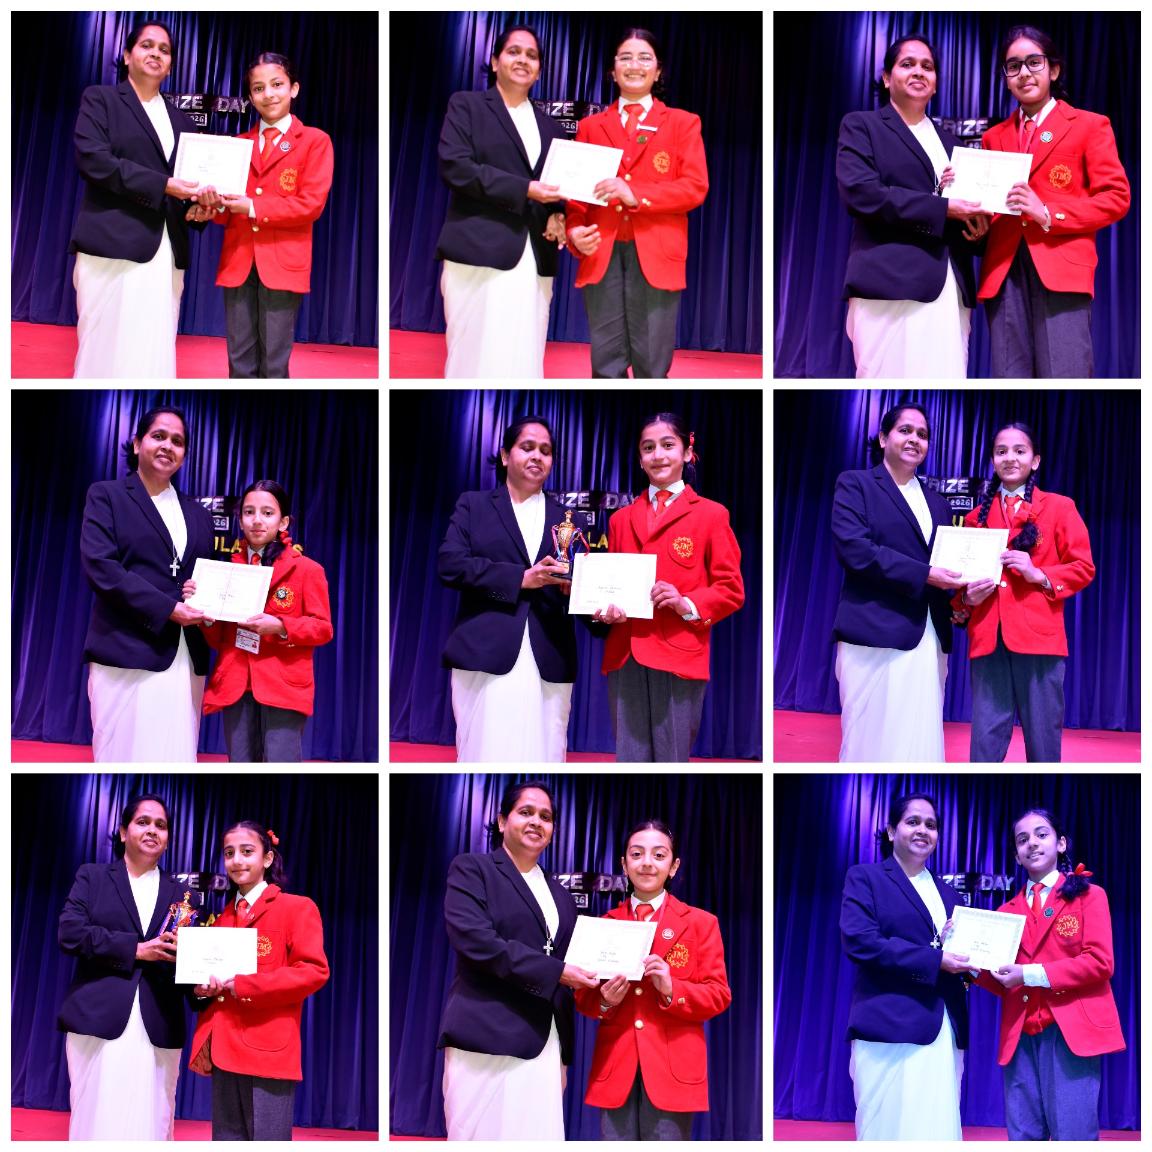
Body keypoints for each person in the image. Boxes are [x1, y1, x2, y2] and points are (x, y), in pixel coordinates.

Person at [437, 781, 599, 1140]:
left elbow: (575, 962)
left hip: (547, 1040)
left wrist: (604, 987)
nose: (536, 822)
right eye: (526, 812)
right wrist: (558, 972)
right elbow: (478, 943)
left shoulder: (561, 895)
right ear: (501, 821)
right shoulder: (473, 869)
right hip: (485, 1033)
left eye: (546, 816)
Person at [978, 26, 1130, 377]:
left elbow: (1117, 197)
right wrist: (971, 217)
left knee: (1066, 374)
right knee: (1008, 379)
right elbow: (991, 206)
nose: (1024, 73)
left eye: (1034, 62)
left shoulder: (1089, 125)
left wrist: (1047, 212)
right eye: (1013, 66)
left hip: (1061, 269)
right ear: (1006, 78)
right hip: (1004, 271)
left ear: (1054, 70)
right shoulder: (993, 137)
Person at [70, 21, 220, 378]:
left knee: (154, 353)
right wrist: (165, 185)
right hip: (112, 243)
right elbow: (94, 161)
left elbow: (185, 188)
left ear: (170, 66)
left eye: (164, 50)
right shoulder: (101, 99)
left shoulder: (183, 123)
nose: (156, 54)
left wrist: (198, 209)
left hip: (166, 251)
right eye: (147, 46)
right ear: (127, 55)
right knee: (101, 351)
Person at [593, 413, 744, 761]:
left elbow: (731, 588)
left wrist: (685, 602)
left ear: (687, 453)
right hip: (625, 653)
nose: (658, 455)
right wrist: (606, 611)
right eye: (648, 448)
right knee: (629, 759)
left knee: (672, 759)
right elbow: (611, 585)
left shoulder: (711, 514)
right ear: (640, 459)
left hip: (679, 652)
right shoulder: (620, 519)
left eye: (667, 445)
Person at [836, 35, 989, 377]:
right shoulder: (862, 126)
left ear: (935, 84)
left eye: (927, 66)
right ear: (886, 78)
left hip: (949, 287)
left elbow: (962, 214)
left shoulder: (955, 145)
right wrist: (943, 208)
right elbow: (861, 193)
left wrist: (976, 229)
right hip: (889, 282)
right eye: (907, 64)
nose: (919, 72)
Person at [969, 809, 1124, 1139]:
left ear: (1061, 843)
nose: (1032, 843)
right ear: (1016, 855)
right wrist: (966, 961)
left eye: (1042, 834)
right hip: (1020, 1036)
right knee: (1023, 1137)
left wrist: (1028, 973)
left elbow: (1100, 962)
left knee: (1074, 1135)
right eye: (1022, 839)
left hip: (1069, 1033)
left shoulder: (1088, 896)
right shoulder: (1005, 913)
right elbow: (1003, 979)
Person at [575, 820, 731, 1140]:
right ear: (624, 864)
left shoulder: (700, 924)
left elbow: (719, 995)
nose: (647, 863)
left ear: (673, 866)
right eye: (637, 854)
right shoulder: (604, 925)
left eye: (659, 855)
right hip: (616, 1069)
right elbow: (584, 998)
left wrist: (672, 989)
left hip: (673, 1072)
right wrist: (606, 1000)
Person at [565, 29, 708, 378]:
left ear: (658, 71)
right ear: (612, 70)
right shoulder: (590, 126)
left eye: (645, 58)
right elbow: (576, 198)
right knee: (605, 367)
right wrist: (574, 232)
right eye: (625, 57)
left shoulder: (682, 123)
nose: (634, 65)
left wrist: (636, 194)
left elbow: (695, 188)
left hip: (656, 254)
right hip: (602, 253)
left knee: (652, 369)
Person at [438, 416, 580, 761]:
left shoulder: (567, 518)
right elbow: (451, 564)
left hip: (550, 654)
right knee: (482, 752)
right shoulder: (474, 505)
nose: (537, 456)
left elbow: (581, 582)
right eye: (527, 447)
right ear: (504, 455)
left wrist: (590, 601)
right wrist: (519, 578)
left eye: (545, 451)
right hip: (485, 652)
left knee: (547, 754)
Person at [952, 422, 1094, 762]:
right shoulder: (974, 518)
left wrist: (1038, 574)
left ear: (1035, 460)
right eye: (1001, 452)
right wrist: (965, 600)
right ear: (992, 460)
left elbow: (1083, 567)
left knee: (1043, 746)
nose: (1010, 458)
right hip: (988, 640)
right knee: (984, 747)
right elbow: (959, 585)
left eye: (1020, 451)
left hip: (1040, 641)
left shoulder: (1059, 507)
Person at [80, 405, 215, 761]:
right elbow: (101, 567)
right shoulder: (107, 495)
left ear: (184, 454)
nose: (168, 446)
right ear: (138, 443)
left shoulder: (199, 515)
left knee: (177, 756)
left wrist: (203, 595)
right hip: (125, 649)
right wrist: (168, 608)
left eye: (178, 441)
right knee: (120, 755)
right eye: (159, 436)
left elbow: (207, 577)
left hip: (185, 655)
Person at [831, 402, 963, 761]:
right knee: (868, 740)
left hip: (929, 634)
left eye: (922, 434)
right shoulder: (856, 484)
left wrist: (963, 598)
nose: (914, 439)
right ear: (883, 437)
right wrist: (926, 574)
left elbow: (945, 565)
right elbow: (856, 550)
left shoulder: (938, 503)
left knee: (921, 742)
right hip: (873, 630)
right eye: (905, 430)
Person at [188, 52, 333, 378]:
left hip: (282, 264)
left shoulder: (314, 141)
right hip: (239, 260)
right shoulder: (238, 145)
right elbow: (227, 209)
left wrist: (252, 207)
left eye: (277, 84)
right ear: (251, 97)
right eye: (258, 88)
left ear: (294, 88)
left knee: (274, 365)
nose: (268, 94)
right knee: (238, 363)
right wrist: (210, 207)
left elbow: (310, 205)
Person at [57, 795, 194, 1140]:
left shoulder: (183, 895)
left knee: (154, 1122)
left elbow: (187, 963)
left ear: (168, 839)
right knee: (94, 1118)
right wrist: (136, 950)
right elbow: (70, 933)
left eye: (161, 825)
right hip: (98, 1017)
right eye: (143, 822)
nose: (152, 830)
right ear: (122, 832)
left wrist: (203, 980)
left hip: (159, 1020)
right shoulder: (93, 877)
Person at [435, 25, 568, 377]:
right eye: (514, 52)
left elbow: (554, 187)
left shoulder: (551, 128)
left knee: (525, 359)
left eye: (531, 55)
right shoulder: (467, 106)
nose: (523, 60)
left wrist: (557, 214)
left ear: (539, 70)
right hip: (478, 248)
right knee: (472, 359)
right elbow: (456, 167)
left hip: (535, 256)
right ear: (495, 62)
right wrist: (526, 189)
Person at [840, 793, 970, 1141]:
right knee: (885, 1129)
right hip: (888, 1021)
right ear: (890, 830)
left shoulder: (950, 896)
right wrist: (936, 959)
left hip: (943, 1025)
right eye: (913, 822)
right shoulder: (866, 878)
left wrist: (972, 960)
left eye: (931, 825)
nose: (923, 830)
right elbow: (861, 942)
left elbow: (960, 960)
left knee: (936, 1129)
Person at [189, 821, 329, 1140]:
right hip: (224, 1049)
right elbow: (209, 980)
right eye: (229, 853)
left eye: (247, 851)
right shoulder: (223, 918)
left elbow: (314, 971)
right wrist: (202, 990)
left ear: (267, 858)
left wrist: (244, 985)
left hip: (268, 1050)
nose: (236, 860)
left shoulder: (296, 908)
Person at [183, 480, 332, 761]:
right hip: (236, 683)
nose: (257, 520)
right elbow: (219, 640)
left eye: (267, 513)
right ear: (240, 520)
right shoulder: (223, 571)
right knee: (240, 765)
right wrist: (203, 612)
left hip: (283, 685)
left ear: (283, 521)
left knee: (280, 764)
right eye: (249, 512)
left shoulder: (307, 570)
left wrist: (282, 626)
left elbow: (323, 628)